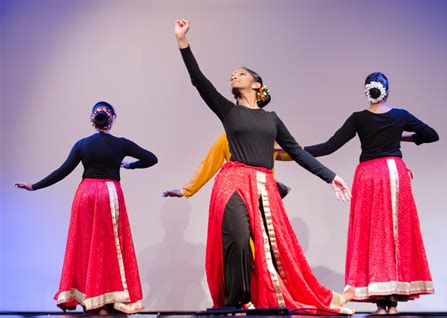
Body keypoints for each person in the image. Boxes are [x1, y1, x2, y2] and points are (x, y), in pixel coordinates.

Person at [174, 19, 352, 314]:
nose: (234, 75)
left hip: (264, 186)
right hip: (232, 183)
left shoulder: (271, 118)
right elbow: (199, 81)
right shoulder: (228, 111)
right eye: (232, 74)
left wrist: (330, 176)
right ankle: (236, 301)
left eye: (241, 74)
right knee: (239, 240)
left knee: (276, 249)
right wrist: (183, 42)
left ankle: (261, 298)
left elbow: (296, 152)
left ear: (256, 84)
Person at [277, 72, 438, 314]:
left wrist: (290, 152)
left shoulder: (358, 119)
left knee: (373, 235)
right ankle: (391, 305)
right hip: (394, 174)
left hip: (369, 176)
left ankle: (381, 305)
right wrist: (402, 136)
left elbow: (329, 146)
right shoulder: (400, 116)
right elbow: (431, 135)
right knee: (393, 235)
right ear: (388, 91)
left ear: (366, 92)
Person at [14, 101, 158, 314]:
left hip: (86, 194)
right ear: (112, 120)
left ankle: (89, 296)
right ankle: (108, 299)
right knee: (109, 246)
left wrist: (34, 186)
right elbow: (151, 159)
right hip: (109, 194)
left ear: (92, 120)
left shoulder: (82, 144)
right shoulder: (121, 144)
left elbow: (62, 171)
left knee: (86, 244)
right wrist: (130, 165)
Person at [162, 132, 291, 199]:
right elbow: (209, 164)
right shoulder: (227, 138)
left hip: (263, 198)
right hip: (239, 197)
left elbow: (295, 153)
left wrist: (290, 149)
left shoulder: (268, 140)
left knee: (265, 241)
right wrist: (186, 190)